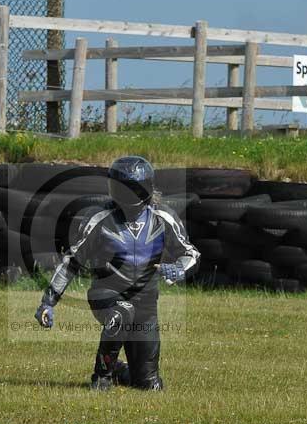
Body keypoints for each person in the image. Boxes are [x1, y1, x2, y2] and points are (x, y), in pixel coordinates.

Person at [33, 156, 200, 391]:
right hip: (107, 294)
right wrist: (48, 302)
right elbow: (72, 261)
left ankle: (121, 370)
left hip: (146, 304)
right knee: (122, 313)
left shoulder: (164, 218)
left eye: (134, 187)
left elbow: (191, 254)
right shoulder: (99, 219)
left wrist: (179, 268)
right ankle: (102, 377)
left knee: (148, 385)